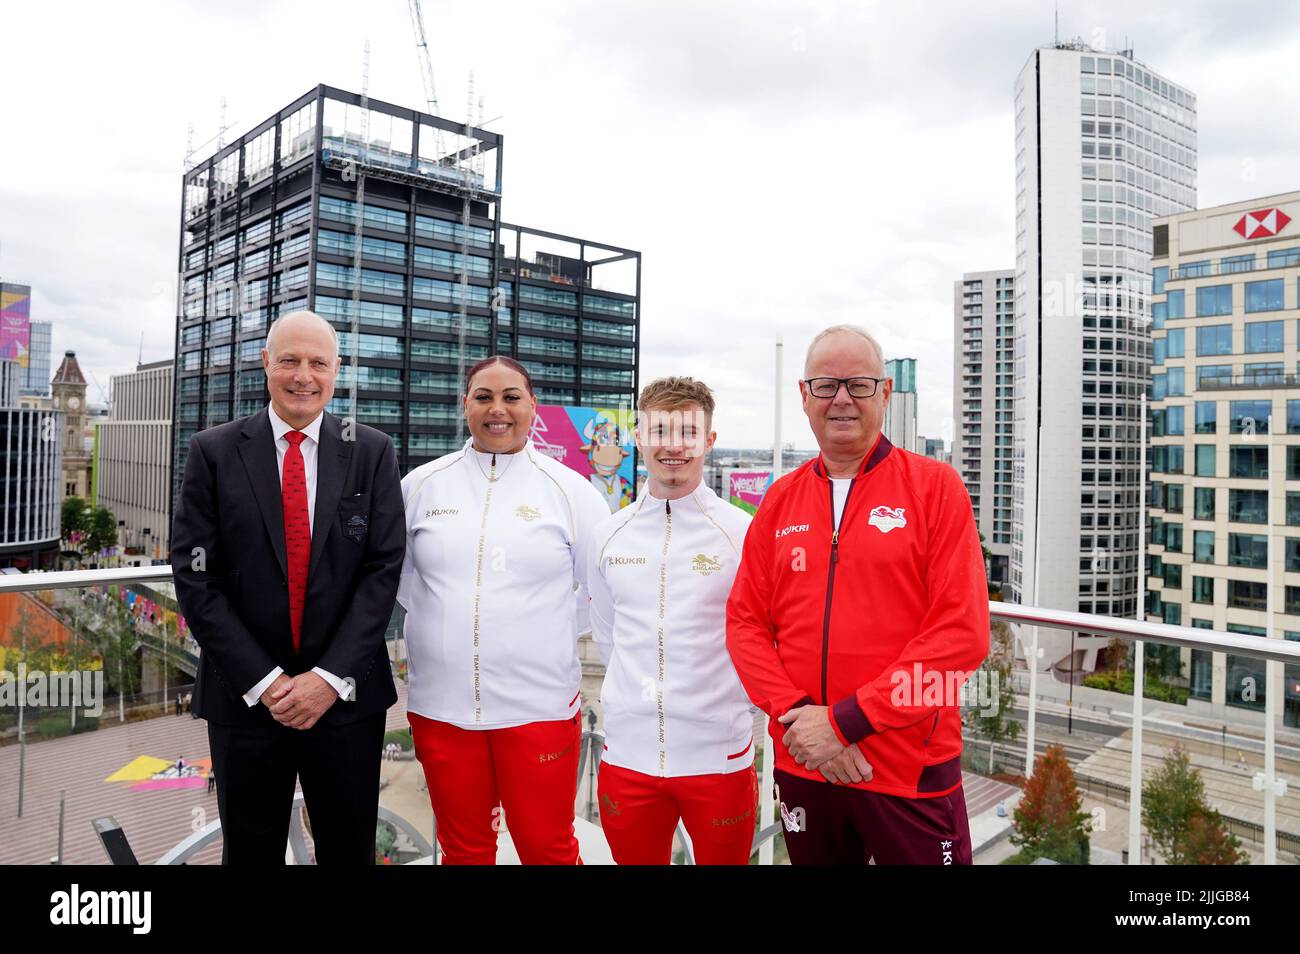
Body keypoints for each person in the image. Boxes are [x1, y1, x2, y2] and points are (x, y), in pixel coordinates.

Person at [726, 324, 989, 865]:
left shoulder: (936, 488)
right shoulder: (779, 500)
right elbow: (745, 624)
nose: (842, 398)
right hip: (804, 761)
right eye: (826, 385)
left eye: (859, 384)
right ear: (804, 396)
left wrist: (846, 722)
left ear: (885, 393)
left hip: (906, 770)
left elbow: (961, 635)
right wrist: (801, 718)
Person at [171, 310, 404, 865]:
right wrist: (267, 681)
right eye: (290, 361)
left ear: (336, 370)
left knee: (349, 853)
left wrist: (327, 679)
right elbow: (195, 576)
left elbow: (383, 570)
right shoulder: (214, 451)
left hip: (345, 702)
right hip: (247, 702)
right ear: (265, 366)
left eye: (318, 363)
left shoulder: (372, 451)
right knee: (250, 855)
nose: (304, 375)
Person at [399, 355, 609, 865]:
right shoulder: (421, 485)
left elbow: (598, 595)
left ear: (532, 406)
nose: (499, 409)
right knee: (463, 851)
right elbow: (406, 585)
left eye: (512, 397)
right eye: (484, 397)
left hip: (537, 708)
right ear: (464, 404)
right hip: (442, 708)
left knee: (548, 849)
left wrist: (533, 636)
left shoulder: (573, 492)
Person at [581, 377, 758, 865]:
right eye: (660, 430)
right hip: (628, 759)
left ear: (709, 440)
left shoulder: (742, 533)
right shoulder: (608, 535)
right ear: (639, 436)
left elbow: (760, 637)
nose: (673, 445)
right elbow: (609, 634)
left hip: (719, 759)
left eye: (688, 431)